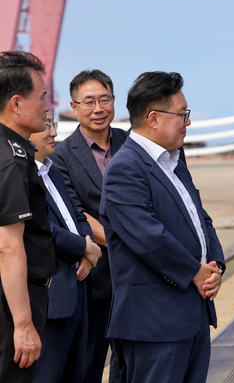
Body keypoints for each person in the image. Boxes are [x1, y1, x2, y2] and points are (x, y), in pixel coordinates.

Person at [99, 71, 225, 382]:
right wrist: (195, 272)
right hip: (155, 322)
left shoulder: (175, 160)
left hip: (193, 312)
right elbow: (148, 236)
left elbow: (199, 217)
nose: (188, 122)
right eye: (182, 114)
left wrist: (215, 266)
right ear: (154, 118)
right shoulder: (125, 167)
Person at [51, 70, 128, 382]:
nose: (98, 108)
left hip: (141, 277)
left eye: (104, 99)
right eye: (89, 101)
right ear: (73, 107)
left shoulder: (132, 143)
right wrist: (133, 242)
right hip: (97, 278)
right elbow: (75, 213)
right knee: (89, 366)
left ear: (114, 100)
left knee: (135, 363)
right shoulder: (61, 155)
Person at [28, 111, 102, 383]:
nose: (54, 132)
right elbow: (39, 227)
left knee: (76, 374)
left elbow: (77, 216)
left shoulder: (53, 172)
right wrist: (83, 248)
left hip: (78, 293)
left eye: (53, 124)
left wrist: (88, 247)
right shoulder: (19, 174)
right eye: (46, 125)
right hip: (51, 298)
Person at [0, 51, 57, 382]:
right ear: (17, 103)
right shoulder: (12, 158)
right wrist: (23, 324)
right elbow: (8, 246)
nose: (46, 107)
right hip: (14, 303)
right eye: (42, 97)